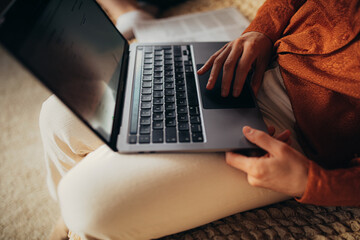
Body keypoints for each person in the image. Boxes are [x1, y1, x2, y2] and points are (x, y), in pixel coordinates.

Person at [41, 0, 360, 239]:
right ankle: (68, 219)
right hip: (251, 63)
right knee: (57, 116)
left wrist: (312, 181)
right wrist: (261, 30)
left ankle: (78, 216)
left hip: (293, 134)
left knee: (86, 204)